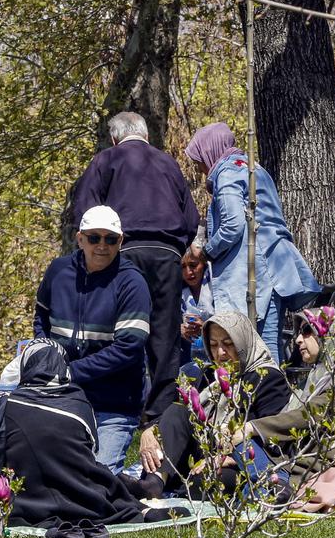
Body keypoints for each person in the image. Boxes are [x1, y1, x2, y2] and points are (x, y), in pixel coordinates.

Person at [0, 339, 181, 529]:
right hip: (80, 496)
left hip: (23, 500)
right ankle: (142, 510)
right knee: (107, 482)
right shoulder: (79, 402)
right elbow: (90, 453)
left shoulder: (4, 403)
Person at [72, 112, 199, 422]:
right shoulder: (168, 164)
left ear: (115, 138)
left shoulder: (107, 159)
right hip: (167, 254)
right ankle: (160, 413)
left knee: (117, 327)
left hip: (124, 251)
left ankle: (116, 403)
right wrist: (176, 247)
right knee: (165, 334)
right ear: (146, 135)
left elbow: (86, 210)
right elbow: (192, 217)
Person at [184, 123, 321, 364]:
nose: (202, 171)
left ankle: (262, 399)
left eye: (200, 163)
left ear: (210, 152)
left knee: (251, 347)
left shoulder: (227, 173)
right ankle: (271, 398)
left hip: (252, 272)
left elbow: (233, 225)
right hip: (273, 267)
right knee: (268, 346)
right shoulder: (251, 167)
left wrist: (206, 252)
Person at [33, 205, 151, 473]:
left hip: (114, 404)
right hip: (62, 398)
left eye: (111, 239)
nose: (102, 246)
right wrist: (46, 356)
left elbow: (128, 348)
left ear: (120, 241)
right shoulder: (58, 271)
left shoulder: (132, 283)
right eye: (94, 237)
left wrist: (70, 372)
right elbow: (41, 318)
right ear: (80, 238)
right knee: (46, 472)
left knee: (97, 480)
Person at [125, 311, 292, 500]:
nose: (220, 353)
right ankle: (154, 481)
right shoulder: (209, 377)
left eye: (228, 344)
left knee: (205, 482)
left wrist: (227, 458)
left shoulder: (266, 377)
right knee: (179, 410)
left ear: (243, 341)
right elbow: (182, 420)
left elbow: (270, 435)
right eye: (213, 345)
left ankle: (178, 485)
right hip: (203, 454)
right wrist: (151, 431)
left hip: (240, 464)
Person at [236, 307, 335, 490]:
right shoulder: (316, 380)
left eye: (306, 331)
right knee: (232, 461)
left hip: (333, 473)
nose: (298, 340)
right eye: (298, 333)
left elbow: (306, 416)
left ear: (330, 333)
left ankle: (272, 490)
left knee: (243, 440)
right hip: (304, 468)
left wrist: (251, 428)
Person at [179, 243, 213, 364]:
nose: (188, 272)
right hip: (190, 355)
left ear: (203, 264)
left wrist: (206, 327)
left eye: (193, 265)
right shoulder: (178, 293)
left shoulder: (216, 289)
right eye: (183, 267)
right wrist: (179, 330)